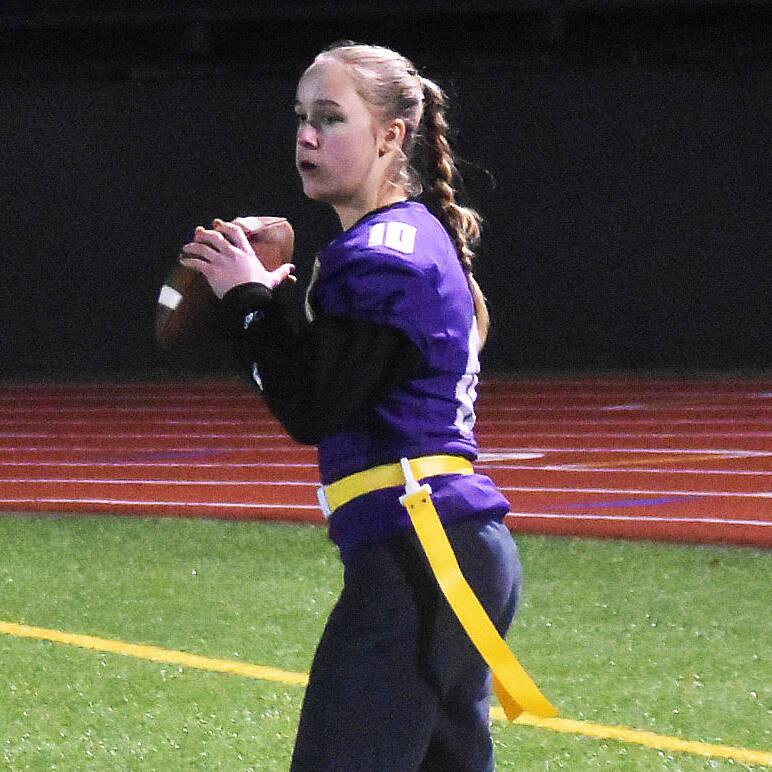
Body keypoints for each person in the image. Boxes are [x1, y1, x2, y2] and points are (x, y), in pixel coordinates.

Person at [180, 41, 523, 772]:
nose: (307, 135)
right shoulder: (398, 239)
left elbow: (311, 404)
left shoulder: (383, 252)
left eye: (331, 119)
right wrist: (263, 303)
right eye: (302, 117)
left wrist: (248, 298)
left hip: (424, 552)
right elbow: (323, 385)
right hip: (445, 550)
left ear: (390, 136)